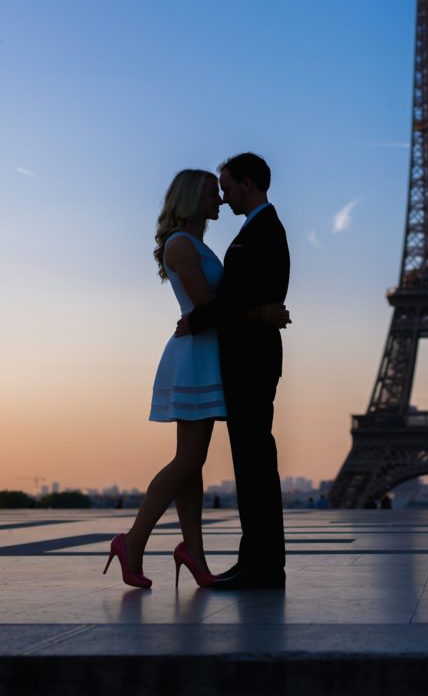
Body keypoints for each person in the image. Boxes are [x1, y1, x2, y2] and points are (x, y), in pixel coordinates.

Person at [103, 168, 288, 590]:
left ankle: (194, 554)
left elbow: (212, 309)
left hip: (207, 354)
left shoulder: (195, 244)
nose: (219, 200)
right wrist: (260, 312)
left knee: (194, 462)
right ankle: (132, 542)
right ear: (190, 199)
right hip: (194, 357)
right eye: (211, 193)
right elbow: (207, 307)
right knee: (187, 460)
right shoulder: (181, 245)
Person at [176, 152, 290, 590]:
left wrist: (197, 321)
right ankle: (259, 561)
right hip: (252, 356)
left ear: (247, 183)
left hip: (251, 361)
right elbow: (248, 299)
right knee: (253, 462)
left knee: (254, 463)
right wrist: (262, 311)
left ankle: (260, 564)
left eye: (226, 187)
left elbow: (235, 296)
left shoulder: (261, 230)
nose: (222, 197)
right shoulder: (260, 228)